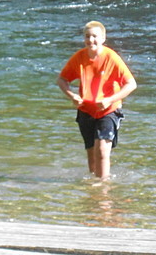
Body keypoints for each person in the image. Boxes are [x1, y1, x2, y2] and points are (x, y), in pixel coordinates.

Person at [57, 21, 137, 179]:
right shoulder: (79, 57)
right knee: (91, 152)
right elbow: (62, 79)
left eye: (94, 36)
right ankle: (94, 186)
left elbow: (131, 84)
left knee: (101, 150)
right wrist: (72, 96)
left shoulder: (111, 57)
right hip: (86, 110)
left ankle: (103, 186)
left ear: (103, 38)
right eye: (87, 36)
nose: (91, 40)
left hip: (108, 110)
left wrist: (110, 100)